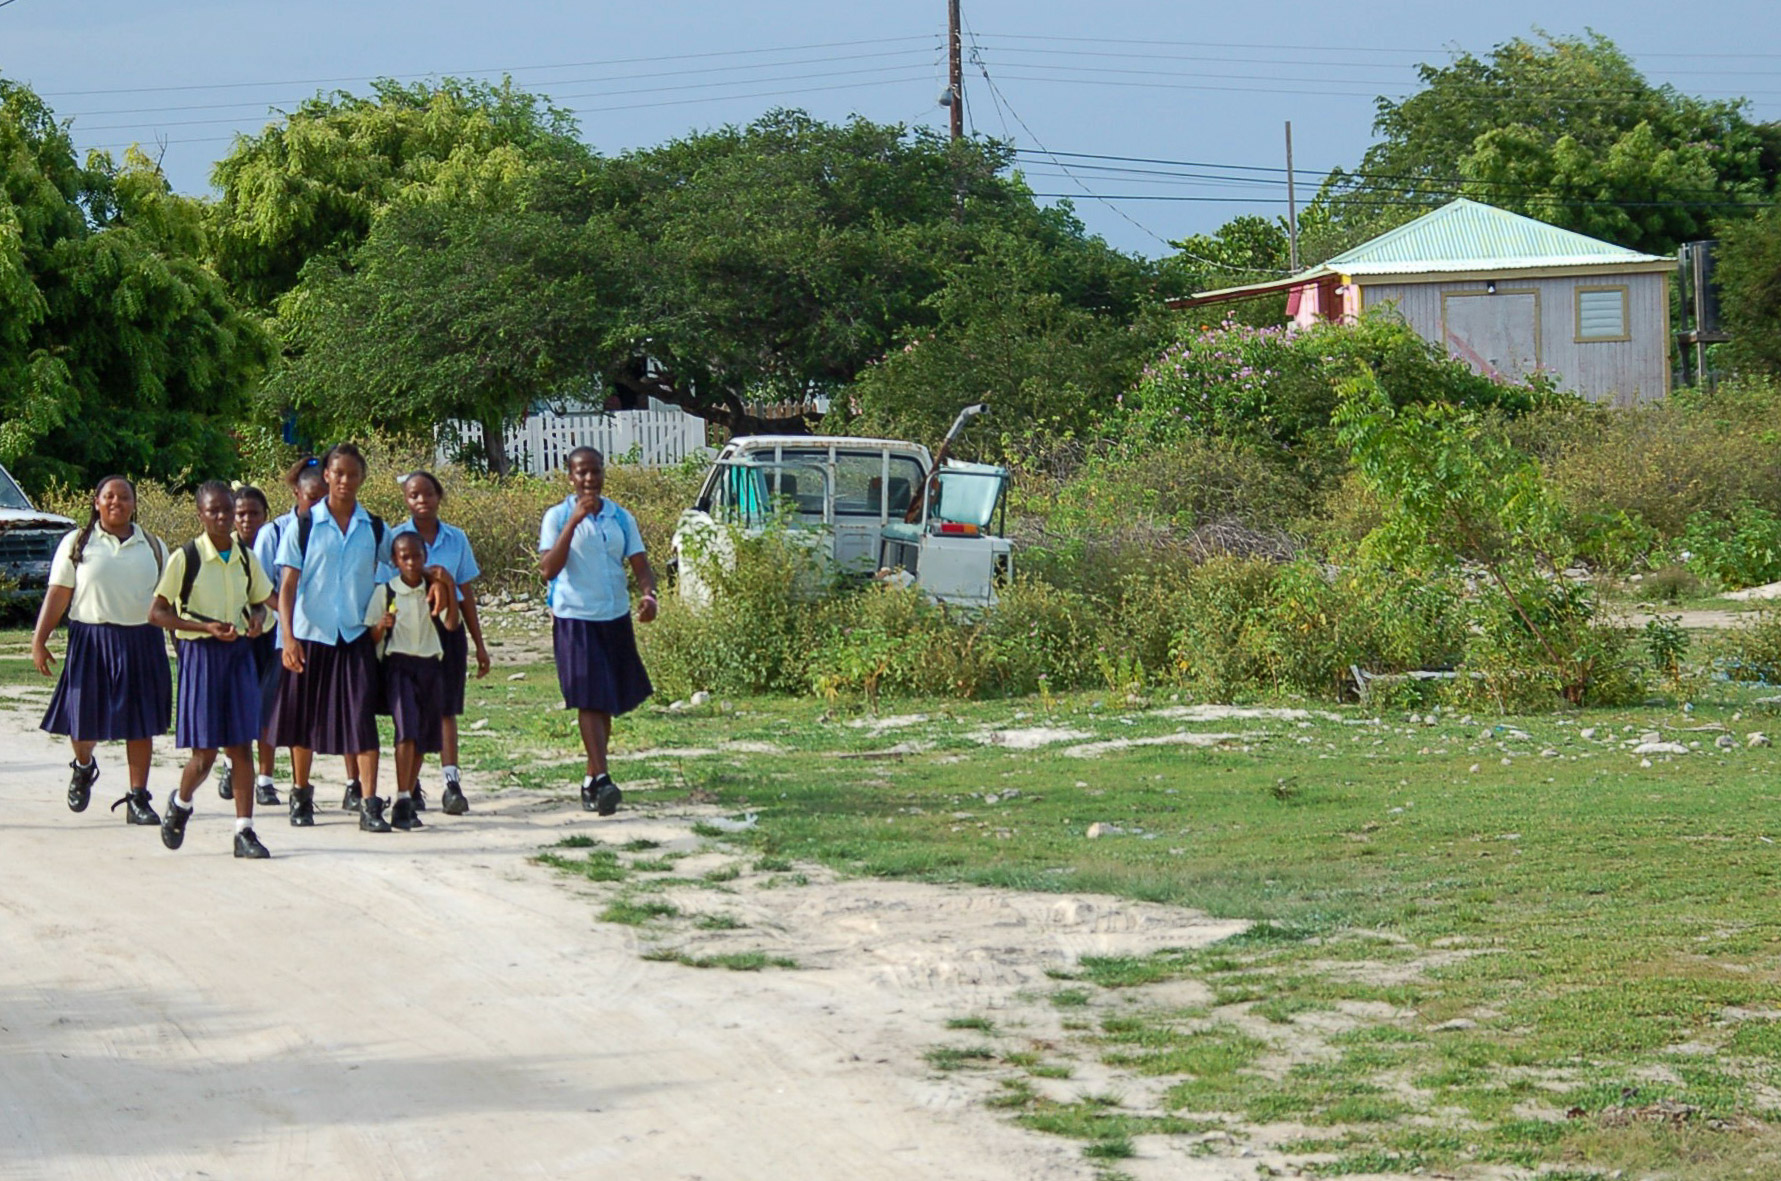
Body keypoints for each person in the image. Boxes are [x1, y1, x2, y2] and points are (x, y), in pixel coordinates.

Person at [266, 443, 399, 832]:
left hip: (355, 635)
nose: (344, 481)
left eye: (352, 474)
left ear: (361, 478)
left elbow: (401, 564)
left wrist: (398, 605)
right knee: (303, 720)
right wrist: (288, 638)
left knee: (362, 719)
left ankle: (370, 804)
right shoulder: (305, 525)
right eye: (337, 473)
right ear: (326, 476)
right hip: (310, 635)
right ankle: (301, 796)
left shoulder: (373, 527)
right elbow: (287, 586)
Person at [30, 475, 170, 826]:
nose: (116, 503)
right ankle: (83, 766)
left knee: (140, 724)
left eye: (124, 497)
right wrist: (39, 640)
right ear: (96, 502)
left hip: (142, 641)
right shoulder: (77, 543)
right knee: (83, 720)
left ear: (134, 504)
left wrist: (185, 645)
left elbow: (169, 602)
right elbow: (59, 593)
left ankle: (137, 798)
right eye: (108, 497)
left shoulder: (153, 546)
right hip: (90, 640)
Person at [148, 482, 276, 859]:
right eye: (214, 511)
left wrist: (257, 619)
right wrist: (204, 628)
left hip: (237, 656)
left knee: (241, 748)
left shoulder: (244, 558)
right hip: (201, 658)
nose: (222, 517)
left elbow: (262, 603)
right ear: (201, 515)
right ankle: (182, 802)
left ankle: (244, 831)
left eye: (227, 510)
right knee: (203, 755)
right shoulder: (186, 557)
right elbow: (156, 613)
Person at [538, 446, 657, 815]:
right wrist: (574, 521)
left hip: (614, 615)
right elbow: (548, 569)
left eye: (595, 471)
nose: (589, 479)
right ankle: (603, 778)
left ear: (604, 473)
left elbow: (639, 563)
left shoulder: (621, 518)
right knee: (588, 696)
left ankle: (592, 778)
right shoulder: (557, 516)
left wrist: (649, 595)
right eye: (581, 472)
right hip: (575, 616)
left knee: (606, 699)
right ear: (570, 477)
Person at [385, 470, 489, 815]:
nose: (421, 501)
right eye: (414, 495)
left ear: (439, 496)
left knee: (446, 707)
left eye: (428, 494)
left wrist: (479, 643)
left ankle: (450, 781)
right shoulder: (397, 537)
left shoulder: (456, 538)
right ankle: (409, 786)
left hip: (449, 627)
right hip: (412, 630)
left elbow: (467, 592)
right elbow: (388, 587)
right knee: (411, 708)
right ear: (406, 500)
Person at [366, 532, 460, 831]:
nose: (410, 562)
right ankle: (403, 797)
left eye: (416, 556)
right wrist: (382, 625)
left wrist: (448, 584)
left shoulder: (432, 589)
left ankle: (405, 797)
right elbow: (371, 637)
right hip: (399, 666)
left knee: (421, 735)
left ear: (424, 558)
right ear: (394, 561)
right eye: (404, 557)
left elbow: (450, 623)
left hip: (430, 665)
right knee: (405, 731)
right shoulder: (386, 592)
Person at [215, 481, 282, 807]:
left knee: (268, 708)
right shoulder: (222, 549)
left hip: (268, 635)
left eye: (254, 514)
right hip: (234, 638)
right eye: (240, 513)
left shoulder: (276, 546)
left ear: (265, 515)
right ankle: (232, 764)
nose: (246, 520)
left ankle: (266, 780)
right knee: (237, 707)